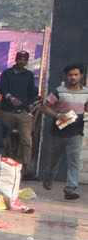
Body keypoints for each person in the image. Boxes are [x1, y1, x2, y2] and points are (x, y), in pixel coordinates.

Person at [40, 62, 87, 199]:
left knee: (74, 160)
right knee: (54, 160)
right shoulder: (58, 91)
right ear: (66, 76)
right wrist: (57, 115)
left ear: (81, 76)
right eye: (70, 75)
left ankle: (70, 189)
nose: (73, 77)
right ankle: (48, 179)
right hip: (58, 132)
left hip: (76, 133)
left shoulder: (86, 92)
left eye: (76, 74)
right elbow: (45, 107)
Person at [0, 51, 41, 177]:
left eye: (24, 60)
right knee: (3, 138)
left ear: (27, 61)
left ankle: (26, 168)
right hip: (7, 111)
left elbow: (31, 92)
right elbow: (2, 88)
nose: (22, 62)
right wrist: (11, 98)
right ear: (16, 60)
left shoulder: (29, 75)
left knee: (26, 140)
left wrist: (31, 104)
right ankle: (2, 163)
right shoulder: (7, 74)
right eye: (20, 59)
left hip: (23, 113)